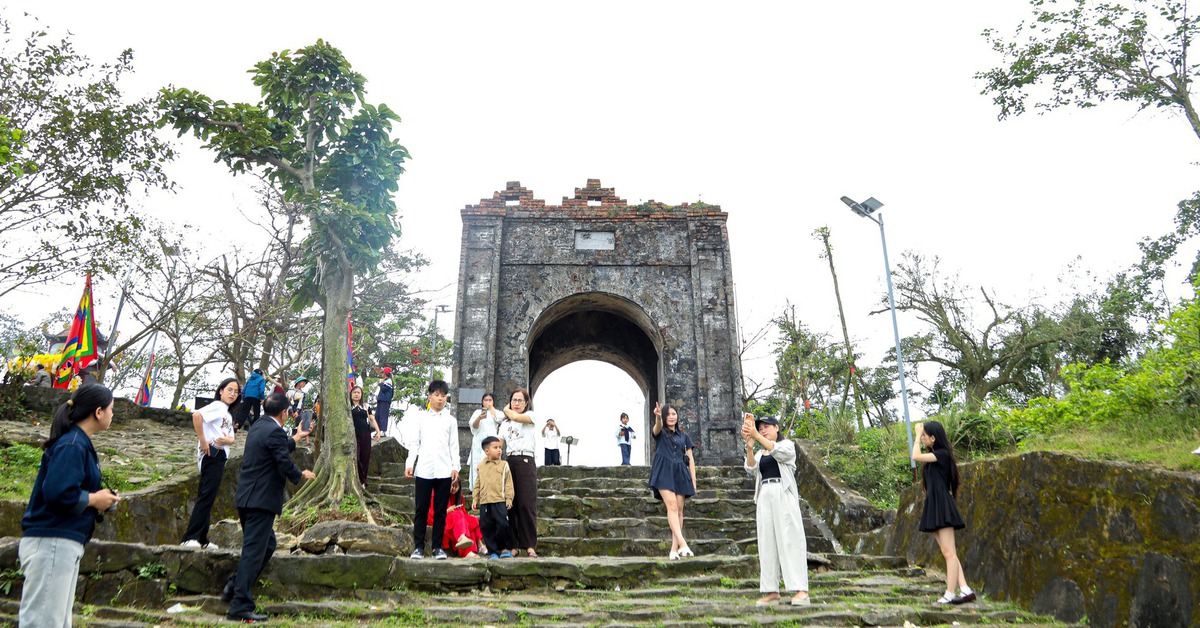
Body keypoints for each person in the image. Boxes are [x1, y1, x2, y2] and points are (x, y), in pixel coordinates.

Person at [18, 384, 121, 627]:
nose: (112, 414)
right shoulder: (73, 444)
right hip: (52, 541)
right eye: (111, 409)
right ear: (98, 412)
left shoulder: (78, 443)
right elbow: (58, 492)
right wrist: (95, 499)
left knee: (55, 621)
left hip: (61, 542)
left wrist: (99, 497)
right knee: (43, 622)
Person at [224, 392, 316, 622]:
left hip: (246, 498)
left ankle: (234, 586)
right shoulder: (274, 431)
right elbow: (282, 460)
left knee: (267, 545)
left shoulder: (258, 426)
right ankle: (239, 606)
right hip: (261, 499)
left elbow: (277, 447)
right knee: (253, 553)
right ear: (285, 412)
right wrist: (300, 473)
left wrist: (296, 437)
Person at [742, 414, 811, 606]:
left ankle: (801, 590)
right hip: (765, 495)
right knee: (767, 543)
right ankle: (771, 591)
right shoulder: (761, 453)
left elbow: (778, 452)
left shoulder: (787, 445)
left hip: (783, 493)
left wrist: (757, 436)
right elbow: (751, 468)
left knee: (790, 540)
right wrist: (749, 446)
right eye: (760, 427)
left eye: (767, 427)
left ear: (777, 427)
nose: (763, 430)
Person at [913, 420, 975, 606]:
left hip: (942, 505)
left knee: (949, 553)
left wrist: (916, 435)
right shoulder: (933, 458)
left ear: (933, 438)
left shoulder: (942, 454)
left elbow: (915, 456)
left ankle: (950, 593)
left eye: (925, 435)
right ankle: (965, 589)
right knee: (948, 552)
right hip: (934, 505)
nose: (922, 438)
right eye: (922, 435)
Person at [181, 377, 240, 550]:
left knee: (209, 496)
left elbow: (232, 438)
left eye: (236, 392)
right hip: (212, 454)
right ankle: (190, 537)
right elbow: (197, 415)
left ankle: (201, 538)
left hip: (220, 455)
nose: (233, 394)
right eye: (230, 390)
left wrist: (227, 440)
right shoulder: (217, 406)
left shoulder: (227, 413)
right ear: (221, 390)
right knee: (206, 496)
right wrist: (203, 440)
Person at [405, 379, 459, 560]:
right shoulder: (421, 418)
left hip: (444, 470)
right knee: (421, 509)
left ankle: (438, 547)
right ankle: (418, 547)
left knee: (441, 510)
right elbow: (414, 443)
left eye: (443, 396)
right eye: (437, 395)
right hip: (424, 470)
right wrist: (410, 464)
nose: (440, 399)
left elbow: (454, 446)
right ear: (429, 396)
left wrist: (455, 467)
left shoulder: (451, 421)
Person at [648, 402, 696, 560]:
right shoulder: (660, 432)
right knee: (672, 506)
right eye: (667, 414)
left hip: (680, 472)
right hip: (663, 471)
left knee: (680, 510)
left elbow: (690, 460)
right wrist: (658, 417)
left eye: (673, 414)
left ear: (677, 416)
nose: (671, 417)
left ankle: (674, 549)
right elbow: (656, 428)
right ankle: (683, 543)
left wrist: (693, 481)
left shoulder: (684, 436)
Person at [501, 387, 540, 558]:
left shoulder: (531, 417)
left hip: (526, 461)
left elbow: (516, 416)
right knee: (511, 505)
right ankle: (513, 545)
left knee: (526, 504)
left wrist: (505, 409)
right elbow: (499, 444)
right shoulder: (504, 424)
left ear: (526, 403)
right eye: (513, 400)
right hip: (510, 462)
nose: (516, 403)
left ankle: (529, 544)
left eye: (519, 400)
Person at [473, 436, 515, 560]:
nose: (499, 450)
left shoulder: (504, 465)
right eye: (495, 447)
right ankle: (493, 552)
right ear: (487, 451)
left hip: (499, 501)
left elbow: (509, 483)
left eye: (500, 448)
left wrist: (509, 498)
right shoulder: (481, 466)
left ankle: (503, 548)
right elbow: (478, 483)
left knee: (502, 524)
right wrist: (475, 498)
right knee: (486, 527)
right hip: (485, 502)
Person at [427, 477, 484, 558]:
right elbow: (431, 515)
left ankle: (472, 544)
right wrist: (448, 511)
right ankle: (465, 545)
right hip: (441, 519)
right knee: (458, 514)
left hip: (457, 522)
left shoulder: (459, 498)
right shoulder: (436, 493)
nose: (453, 489)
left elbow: (464, 516)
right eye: (451, 486)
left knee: (472, 520)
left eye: (456, 486)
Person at [468, 392, 501, 491]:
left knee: (491, 465)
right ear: (482, 402)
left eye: (490, 400)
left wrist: (491, 409)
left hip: (492, 444)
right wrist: (479, 418)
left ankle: (491, 490)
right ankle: (476, 490)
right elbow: (473, 427)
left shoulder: (496, 412)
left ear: (493, 401)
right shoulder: (477, 412)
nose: (487, 402)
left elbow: (500, 419)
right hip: (478, 444)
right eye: (485, 400)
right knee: (477, 466)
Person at [351, 385, 380, 489]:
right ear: (351, 394)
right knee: (356, 457)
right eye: (354, 392)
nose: (356, 394)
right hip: (353, 435)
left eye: (358, 392)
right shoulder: (348, 406)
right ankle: (360, 479)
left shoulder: (366, 406)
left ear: (361, 394)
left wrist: (378, 431)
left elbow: (372, 419)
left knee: (365, 458)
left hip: (366, 434)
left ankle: (363, 482)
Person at [376, 367, 395, 434]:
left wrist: (381, 383)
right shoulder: (385, 380)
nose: (382, 374)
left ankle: (383, 430)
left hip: (385, 400)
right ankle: (378, 430)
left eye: (383, 373)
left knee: (383, 415)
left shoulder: (389, 381)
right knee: (377, 415)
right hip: (381, 399)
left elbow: (384, 389)